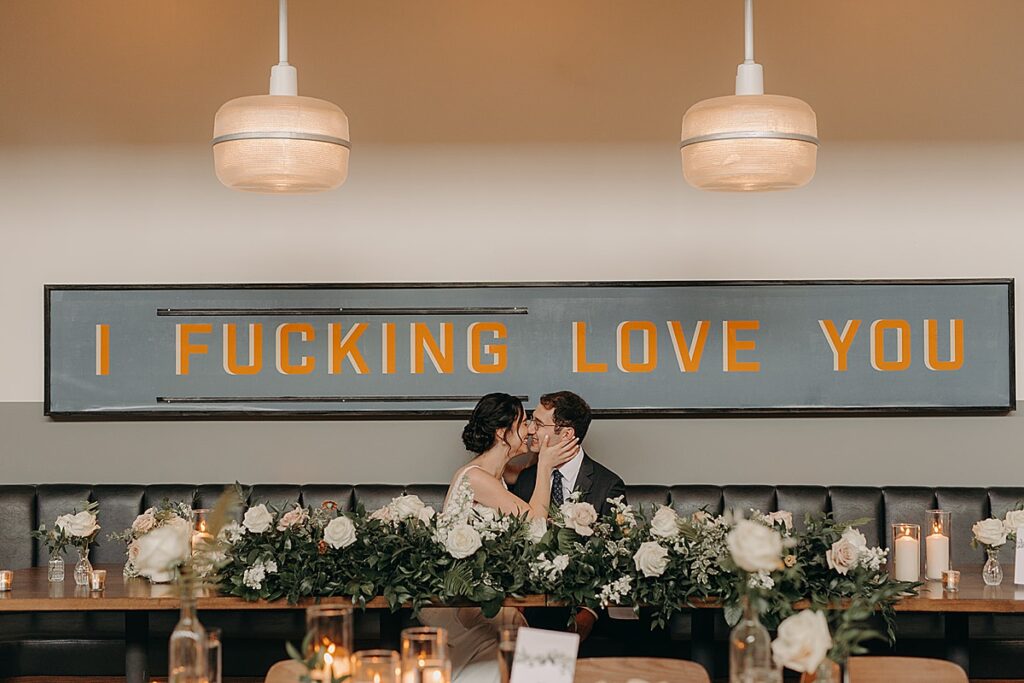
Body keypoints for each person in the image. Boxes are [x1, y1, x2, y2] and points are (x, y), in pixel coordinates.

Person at [419, 392, 579, 683]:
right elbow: (534, 527)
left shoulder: (497, 479)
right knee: (531, 644)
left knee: (540, 645)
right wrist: (544, 466)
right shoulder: (475, 478)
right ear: (501, 432)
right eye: (523, 423)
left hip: (483, 597)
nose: (530, 429)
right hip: (460, 601)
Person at [511, 390, 627, 645]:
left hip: (585, 608)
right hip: (533, 607)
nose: (530, 429)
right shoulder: (526, 480)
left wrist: (590, 613)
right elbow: (518, 546)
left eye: (539, 423)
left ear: (566, 433)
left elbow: (616, 558)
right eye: (531, 421)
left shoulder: (608, 485)